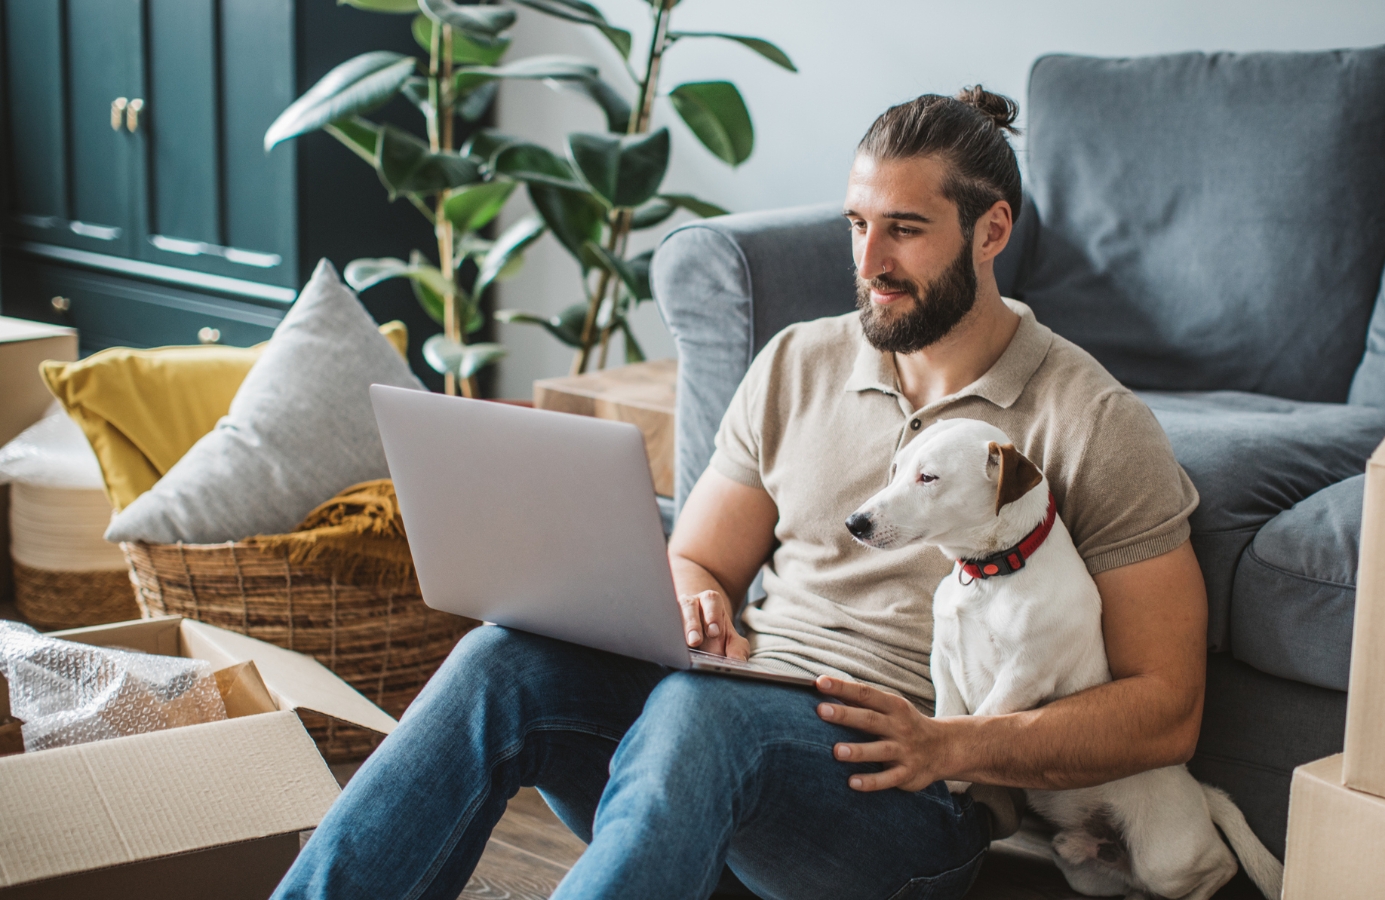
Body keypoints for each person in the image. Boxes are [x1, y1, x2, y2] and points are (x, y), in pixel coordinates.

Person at [272, 86, 1204, 900]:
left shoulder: (1090, 421)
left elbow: (1170, 706)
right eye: (857, 224)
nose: (868, 260)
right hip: (714, 741)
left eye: (906, 231)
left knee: (700, 716)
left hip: (903, 808)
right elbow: (701, 557)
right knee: (501, 660)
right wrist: (697, 600)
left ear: (991, 229)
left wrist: (956, 746)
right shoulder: (799, 362)